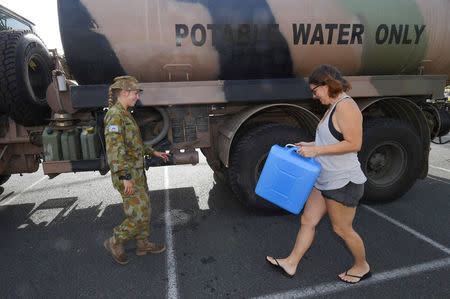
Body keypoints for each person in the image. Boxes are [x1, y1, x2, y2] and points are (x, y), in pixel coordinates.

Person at [266, 65, 371, 283]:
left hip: (343, 181)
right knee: (308, 219)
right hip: (324, 177)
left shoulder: (346, 107)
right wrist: (311, 144)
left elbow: (354, 144)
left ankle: (362, 266)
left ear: (327, 84)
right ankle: (291, 263)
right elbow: (331, 139)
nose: (314, 95)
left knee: (342, 229)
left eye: (315, 90)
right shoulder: (332, 107)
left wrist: (316, 150)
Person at [103, 75, 170, 265]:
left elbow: (134, 144)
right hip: (127, 175)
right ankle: (115, 241)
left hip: (137, 172)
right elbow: (115, 150)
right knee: (138, 214)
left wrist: (153, 152)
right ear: (124, 92)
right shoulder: (115, 115)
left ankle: (142, 244)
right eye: (135, 93)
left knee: (145, 210)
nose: (137, 97)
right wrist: (125, 177)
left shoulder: (125, 113)